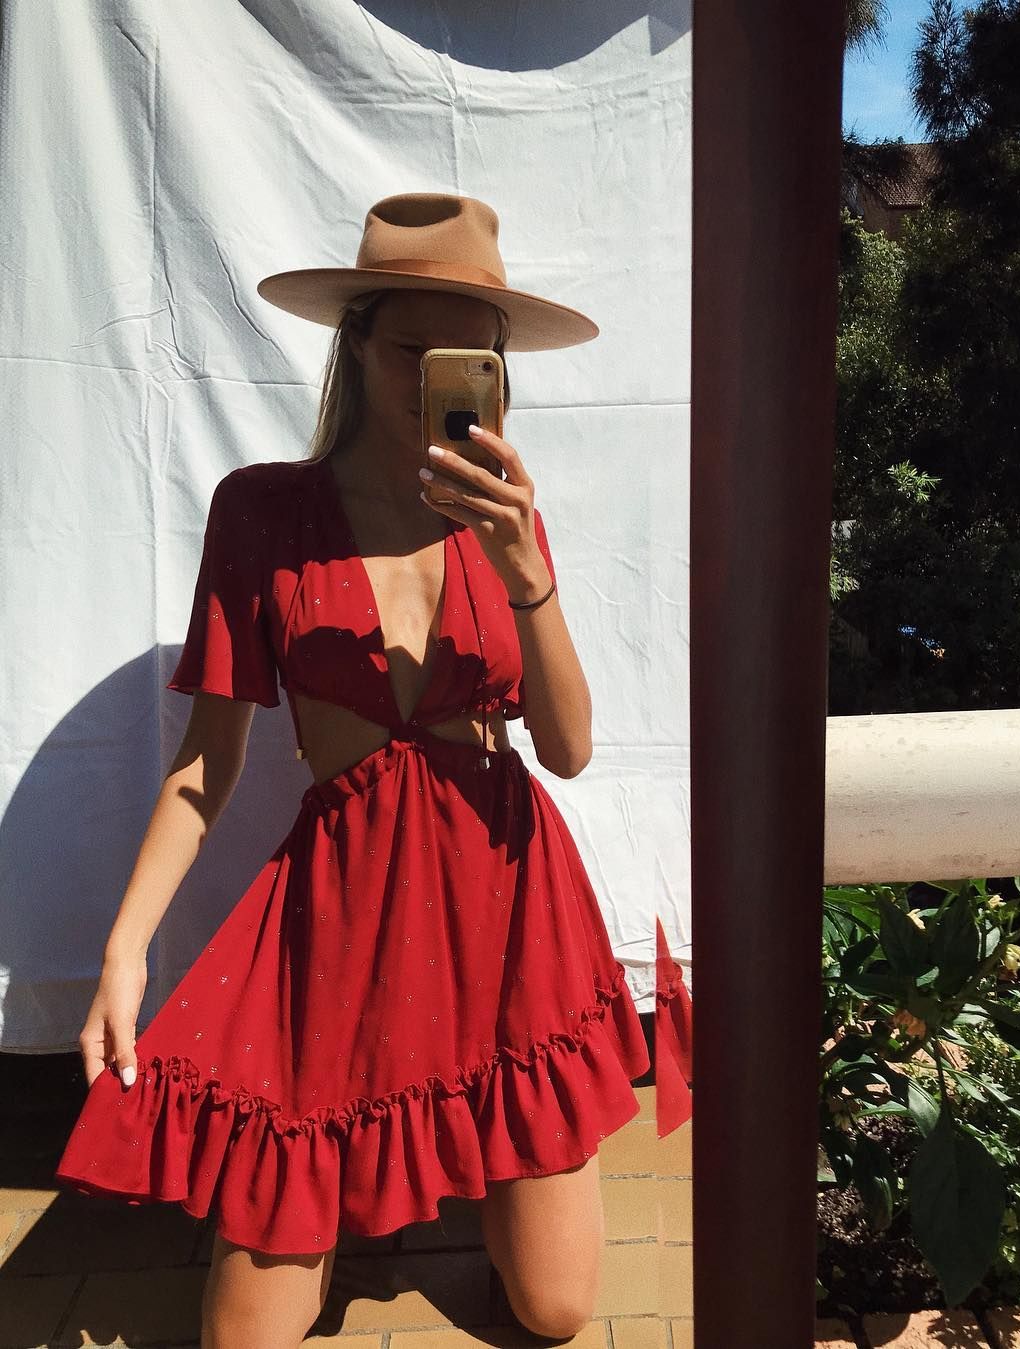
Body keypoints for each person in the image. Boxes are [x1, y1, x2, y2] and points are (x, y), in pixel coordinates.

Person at [54, 193, 651, 1347]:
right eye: (407, 346)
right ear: (355, 343)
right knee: (243, 1335)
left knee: (558, 1307)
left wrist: (525, 569)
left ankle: (468, 1153)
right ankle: (363, 1171)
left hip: (506, 903)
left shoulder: (505, 515)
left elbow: (570, 749)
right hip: (347, 912)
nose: (430, 374)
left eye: (463, 353)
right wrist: (124, 951)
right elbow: (206, 763)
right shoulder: (265, 512)